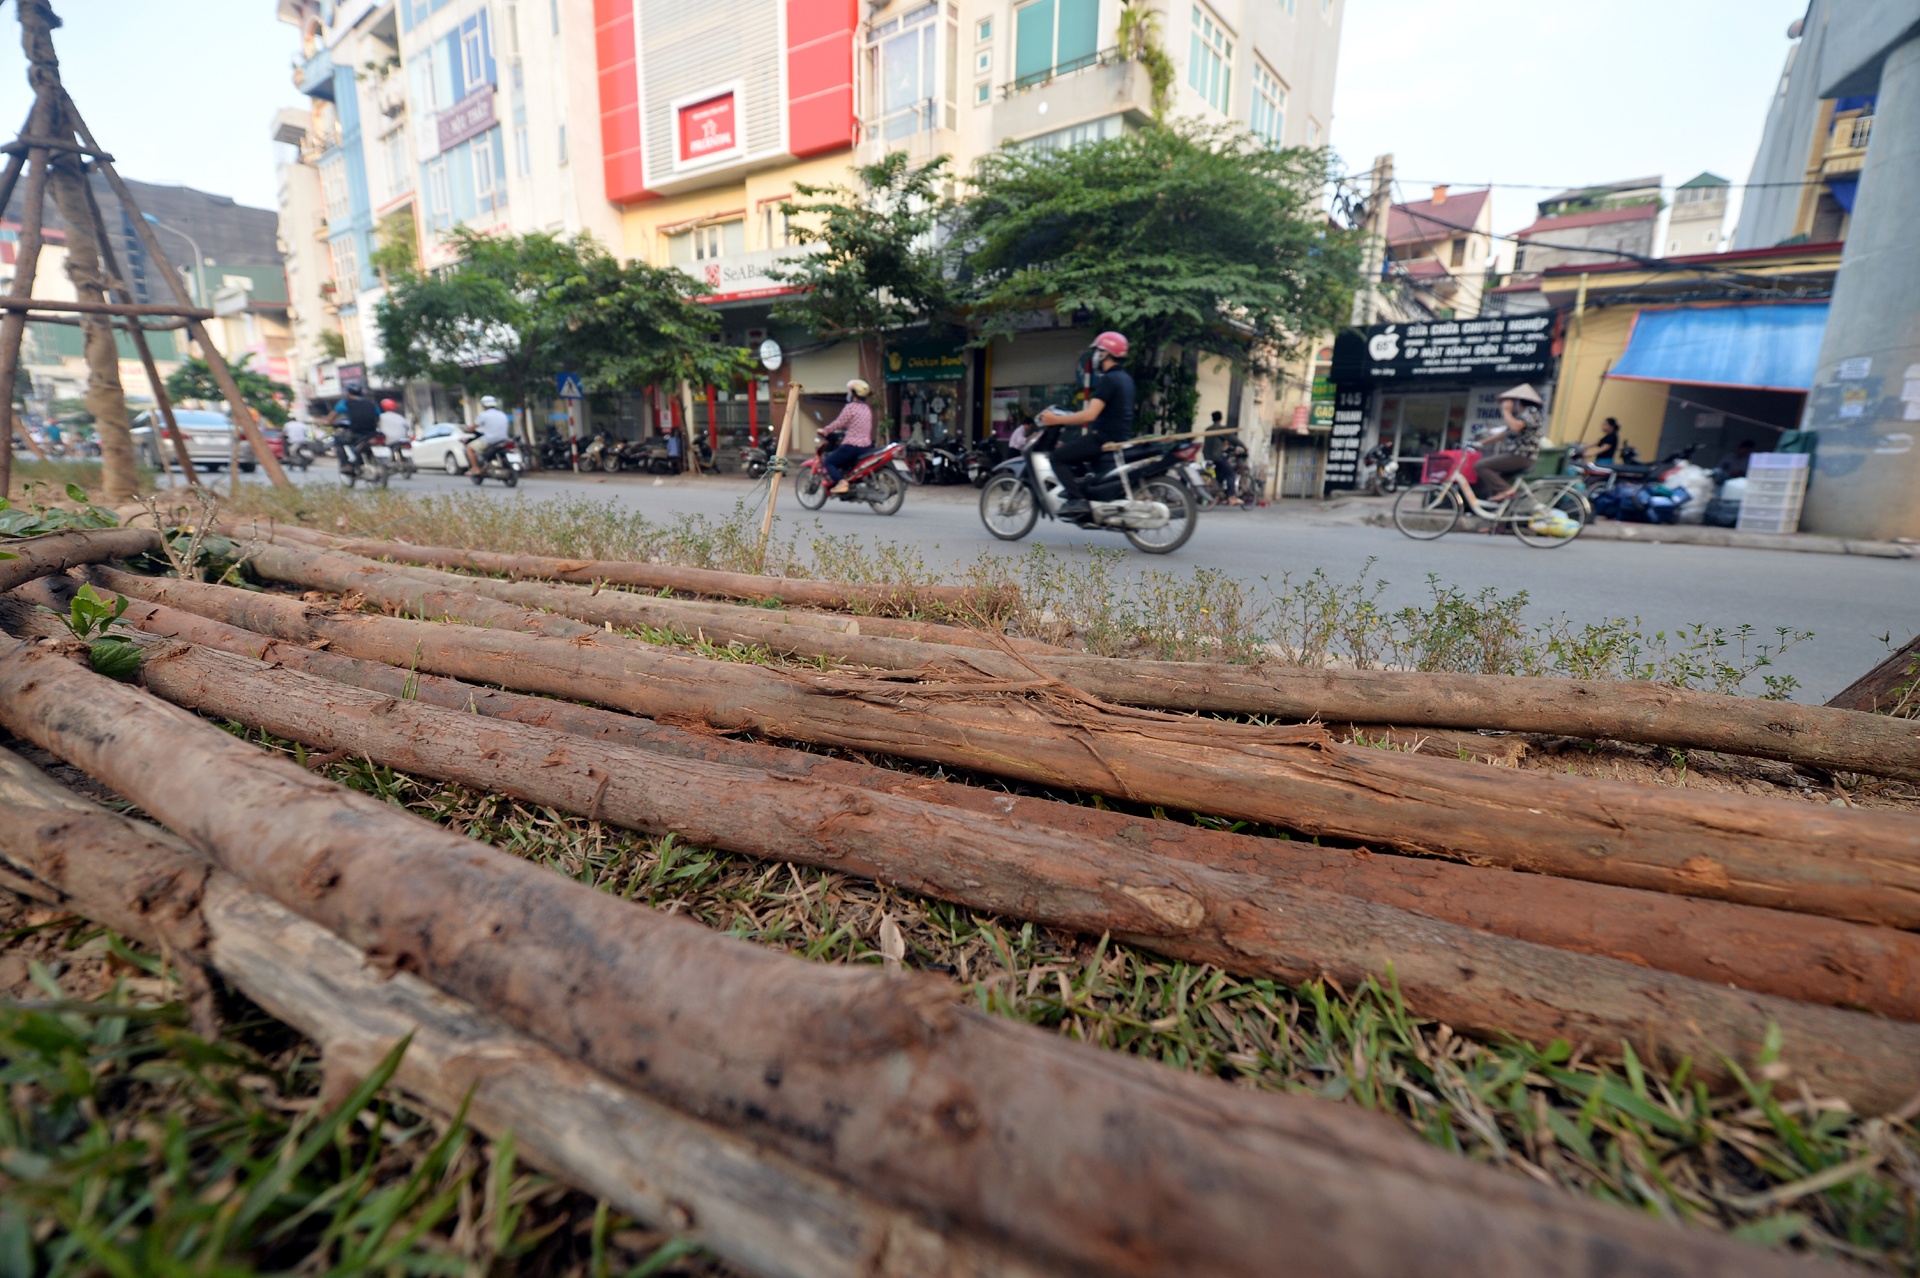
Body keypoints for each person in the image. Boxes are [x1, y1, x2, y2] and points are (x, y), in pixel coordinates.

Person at [1036, 331, 1135, 517]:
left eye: (1098, 351)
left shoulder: (1109, 380)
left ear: (1106, 353)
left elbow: (1090, 414)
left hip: (1103, 437)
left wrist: (1056, 420)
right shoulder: (1126, 379)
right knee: (1073, 451)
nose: (1095, 355)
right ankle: (1085, 494)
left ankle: (1077, 500)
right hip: (1119, 435)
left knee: (1057, 457)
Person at [1473, 384, 1545, 502]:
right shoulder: (1520, 415)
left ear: (1518, 402)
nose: (1506, 404)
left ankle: (1507, 491)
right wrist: (1482, 443)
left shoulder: (1531, 411)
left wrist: (1506, 411)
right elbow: (1506, 432)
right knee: (1495, 486)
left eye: (1510, 401)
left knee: (1480, 466)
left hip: (1521, 455)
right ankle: (1502, 515)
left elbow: (1515, 427)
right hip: (1516, 454)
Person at [821, 379, 874, 494]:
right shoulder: (867, 409)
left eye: (850, 392)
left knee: (828, 462)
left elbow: (839, 423)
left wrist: (825, 430)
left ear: (854, 394)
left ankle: (841, 482)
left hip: (851, 446)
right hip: (865, 447)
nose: (849, 394)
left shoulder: (850, 408)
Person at [331, 381, 381, 474]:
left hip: (356, 433)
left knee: (337, 439)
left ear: (348, 393)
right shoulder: (371, 404)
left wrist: (327, 422)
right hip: (372, 433)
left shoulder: (344, 403)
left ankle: (345, 465)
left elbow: (331, 418)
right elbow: (377, 418)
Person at [465, 394, 512, 475]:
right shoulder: (502, 414)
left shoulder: (483, 415)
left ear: (484, 405)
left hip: (490, 439)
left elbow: (472, 427)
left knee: (469, 448)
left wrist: (467, 430)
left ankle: (475, 469)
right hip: (504, 439)